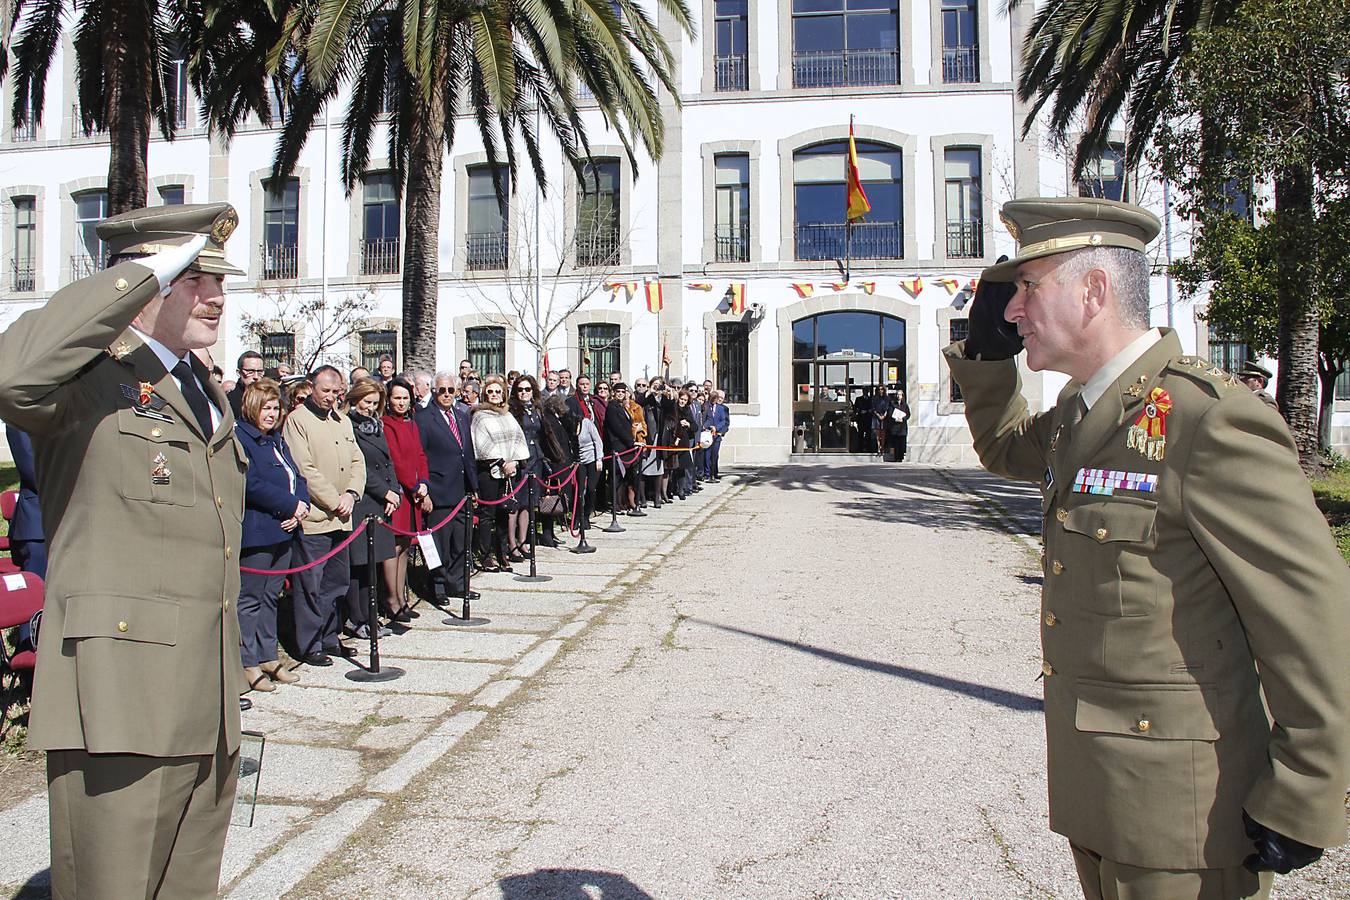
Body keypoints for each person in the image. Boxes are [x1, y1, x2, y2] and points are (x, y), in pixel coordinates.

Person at [946, 196, 1350, 899]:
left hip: (1181, 822)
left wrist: (1307, 790)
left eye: (1028, 289)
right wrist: (984, 357)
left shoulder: (1206, 420)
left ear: (1094, 292)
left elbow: (1311, 622)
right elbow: (1007, 447)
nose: (1013, 311)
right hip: (1101, 797)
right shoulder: (1082, 411)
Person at [0, 202, 248, 897]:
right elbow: (10, 375)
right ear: (145, 280)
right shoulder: (86, 383)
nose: (217, 296)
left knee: (187, 884)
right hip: (119, 698)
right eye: (193, 277)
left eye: (218, 279)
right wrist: (133, 282)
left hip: (207, 691)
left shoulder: (199, 388)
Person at [283, 365, 366, 666]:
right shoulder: (297, 421)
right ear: (311, 387)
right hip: (316, 518)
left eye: (336, 392)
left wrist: (351, 494)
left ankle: (330, 637)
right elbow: (304, 469)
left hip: (342, 517)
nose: (331, 398)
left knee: (336, 582)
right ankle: (310, 643)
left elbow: (358, 460)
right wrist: (333, 500)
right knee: (311, 584)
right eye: (326, 391)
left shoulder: (342, 421)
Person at [235, 378, 308, 695]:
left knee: (271, 596)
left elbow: (296, 474)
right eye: (266, 407)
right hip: (258, 530)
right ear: (252, 407)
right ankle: (247, 661)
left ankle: (268, 656)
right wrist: (290, 504)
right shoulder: (241, 438)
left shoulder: (276, 440)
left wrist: (301, 506)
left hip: (286, 529)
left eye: (276, 407)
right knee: (249, 599)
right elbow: (251, 483)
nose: (272, 413)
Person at [416, 373, 479, 603]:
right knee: (439, 543)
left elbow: (468, 453)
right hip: (438, 491)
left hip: (462, 490)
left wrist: (474, 487)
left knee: (461, 542)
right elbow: (420, 456)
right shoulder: (423, 418)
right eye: (441, 390)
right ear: (434, 391)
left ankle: (458, 584)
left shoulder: (462, 416)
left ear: (457, 391)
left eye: (450, 390)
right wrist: (425, 492)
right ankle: (437, 587)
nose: (446, 395)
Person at [344, 379, 399, 640]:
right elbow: (360, 466)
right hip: (363, 499)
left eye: (375, 403)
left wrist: (394, 492)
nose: (370, 408)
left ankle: (370, 615)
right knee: (359, 564)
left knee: (373, 563)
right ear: (355, 399)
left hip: (381, 502)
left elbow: (387, 462)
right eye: (367, 402)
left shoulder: (376, 426)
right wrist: (384, 491)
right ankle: (356, 618)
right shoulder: (349, 425)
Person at [381, 376, 430, 621]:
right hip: (399, 493)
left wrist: (423, 483)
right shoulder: (386, 424)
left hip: (415, 493)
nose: (401, 402)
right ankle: (392, 599)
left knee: (406, 547)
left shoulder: (412, 423)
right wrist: (413, 486)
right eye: (396, 398)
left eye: (405, 398)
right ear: (388, 399)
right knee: (394, 546)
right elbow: (396, 461)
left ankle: (402, 596)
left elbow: (420, 455)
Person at [471, 376, 529, 571]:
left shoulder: (507, 414)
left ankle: (502, 551)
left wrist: (514, 461)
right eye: (490, 392)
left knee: (505, 512)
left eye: (498, 391)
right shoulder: (480, 415)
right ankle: (486, 555)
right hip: (489, 472)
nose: (494, 395)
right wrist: (501, 462)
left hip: (510, 471)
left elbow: (519, 438)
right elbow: (481, 445)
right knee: (488, 515)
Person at [509, 374, 545, 558]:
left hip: (535, 460)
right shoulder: (511, 410)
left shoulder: (536, 409)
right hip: (519, 461)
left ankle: (523, 542)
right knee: (515, 503)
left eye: (527, 389)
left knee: (528, 504)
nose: (524, 393)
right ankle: (512, 544)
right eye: (520, 389)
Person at [3, 423, 46, 578]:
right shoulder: (19, 420)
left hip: (71, 524)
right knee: (39, 594)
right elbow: (33, 470)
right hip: (38, 526)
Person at [538, 394, 578, 547]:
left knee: (556, 502)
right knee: (550, 501)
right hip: (555, 466)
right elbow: (552, 444)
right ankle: (547, 534)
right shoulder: (549, 420)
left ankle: (551, 533)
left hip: (561, 465)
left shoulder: (555, 419)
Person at [604, 383, 641, 514]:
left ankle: (621, 503)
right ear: (613, 393)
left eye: (622, 391)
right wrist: (631, 442)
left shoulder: (622, 407)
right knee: (616, 478)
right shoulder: (612, 408)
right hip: (618, 447)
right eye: (617, 391)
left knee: (624, 479)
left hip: (626, 447)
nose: (620, 393)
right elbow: (617, 428)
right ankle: (615, 505)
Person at [226, 350, 265, 416]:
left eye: (260, 372)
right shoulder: (229, 402)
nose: (256, 377)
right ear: (239, 373)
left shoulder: (269, 398)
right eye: (250, 371)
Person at [704, 389, 729, 481]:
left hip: (717, 435)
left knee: (714, 455)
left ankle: (713, 473)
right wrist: (709, 427)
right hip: (707, 434)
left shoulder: (721, 409)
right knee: (707, 454)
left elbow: (723, 421)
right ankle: (707, 473)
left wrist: (717, 428)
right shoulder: (707, 406)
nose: (716, 400)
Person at [888, 387, 911, 462]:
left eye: (900, 395)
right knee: (896, 443)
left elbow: (908, 414)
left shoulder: (905, 405)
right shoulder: (892, 404)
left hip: (902, 426)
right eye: (897, 394)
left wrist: (903, 419)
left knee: (902, 442)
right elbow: (890, 413)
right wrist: (895, 418)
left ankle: (901, 457)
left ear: (902, 396)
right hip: (895, 426)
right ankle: (896, 457)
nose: (898, 396)